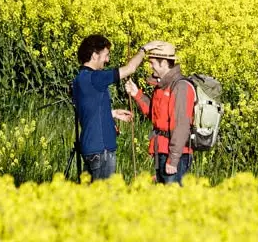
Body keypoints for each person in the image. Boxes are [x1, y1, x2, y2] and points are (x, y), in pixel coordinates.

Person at [71, 34, 145, 181]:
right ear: (94, 55)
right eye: (106, 55)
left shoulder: (79, 80)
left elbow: (88, 110)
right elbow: (130, 69)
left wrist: (112, 113)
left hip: (89, 148)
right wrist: (143, 50)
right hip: (101, 150)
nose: (107, 60)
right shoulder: (96, 78)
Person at [124, 40, 195, 185]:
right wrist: (137, 94)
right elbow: (155, 116)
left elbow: (181, 126)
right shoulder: (161, 85)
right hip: (161, 150)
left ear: (163, 63)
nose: (150, 66)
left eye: (153, 63)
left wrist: (173, 160)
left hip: (175, 155)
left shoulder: (180, 86)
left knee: (172, 202)